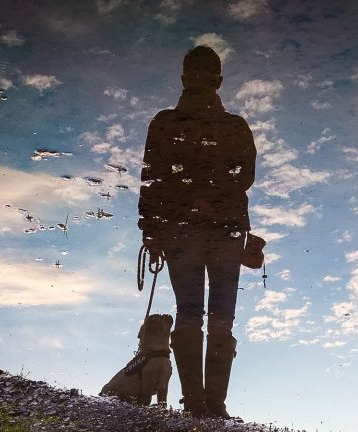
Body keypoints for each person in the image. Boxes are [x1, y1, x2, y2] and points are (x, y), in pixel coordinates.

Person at [137, 45, 256, 419]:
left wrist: (152, 231)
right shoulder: (235, 127)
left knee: (190, 314)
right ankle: (214, 408)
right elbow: (245, 178)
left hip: (181, 231)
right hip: (225, 232)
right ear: (219, 81)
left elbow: (151, 178)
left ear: (184, 78)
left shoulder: (164, 123)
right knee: (221, 318)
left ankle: (197, 405)